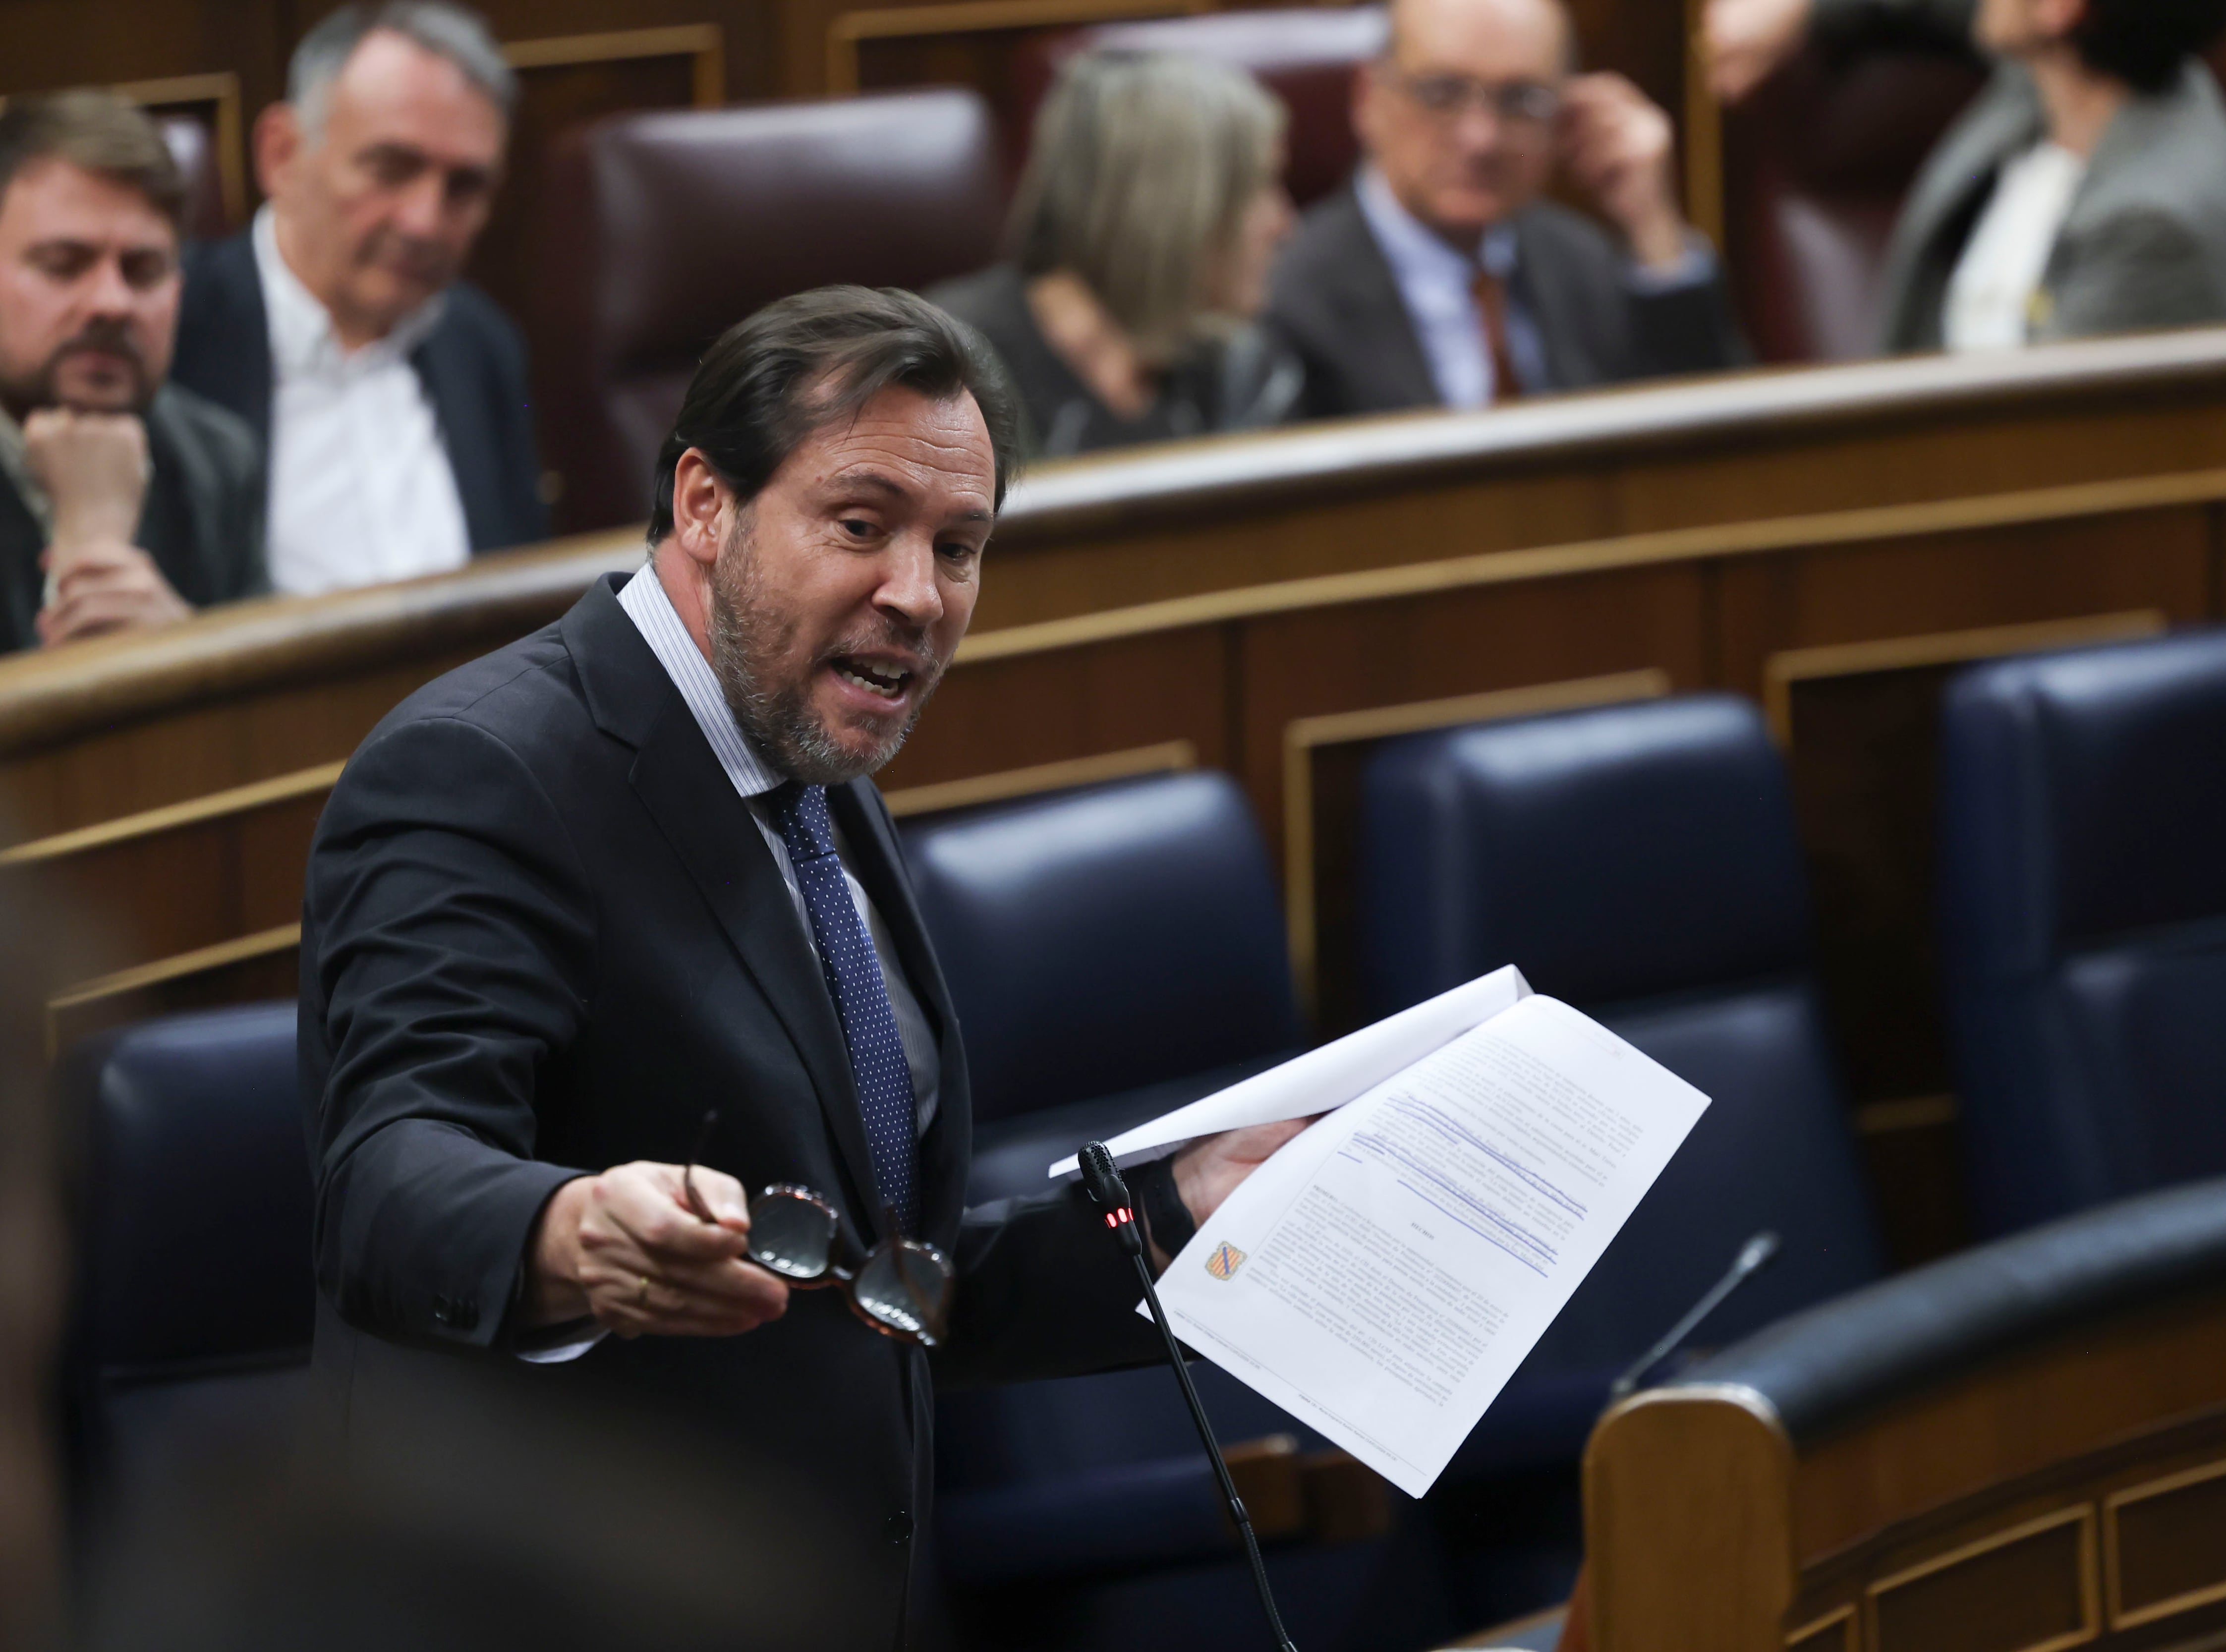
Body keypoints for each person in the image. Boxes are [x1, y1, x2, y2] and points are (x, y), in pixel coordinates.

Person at [299, 285, 1306, 1649]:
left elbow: (870, 1280)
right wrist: (568, 1233)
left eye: (961, 545)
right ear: (706, 503)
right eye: (860, 524)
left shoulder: (808, 763)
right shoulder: (485, 766)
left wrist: (1172, 1210)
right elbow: (387, 1173)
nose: (918, 594)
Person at [172, 1, 544, 596]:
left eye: (464, 186)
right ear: (282, 155)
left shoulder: (481, 341)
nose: (425, 222)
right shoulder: (173, 332)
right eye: (391, 168)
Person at [1703, 0, 2226, 353]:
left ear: (2060, 8)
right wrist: (1805, 8)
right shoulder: (2050, 82)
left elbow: (2058, 475)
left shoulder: (2153, 227)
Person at [1264, 0, 1746, 420]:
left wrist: (1653, 230)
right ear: (1368, 100)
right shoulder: (1286, 298)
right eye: (1442, 93)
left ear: (1564, 115)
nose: (1482, 139)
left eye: (1521, 100)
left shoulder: (1584, 265)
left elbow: (1723, 465)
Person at [928, 52, 1303, 459]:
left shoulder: (1241, 363)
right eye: (1259, 188)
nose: (1285, 224)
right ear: (1172, 208)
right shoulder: (949, 377)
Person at [0, 92, 263, 654]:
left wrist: (188, 651)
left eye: (143, 271)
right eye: (63, 265)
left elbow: (271, 733)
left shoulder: (220, 460)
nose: (113, 303)